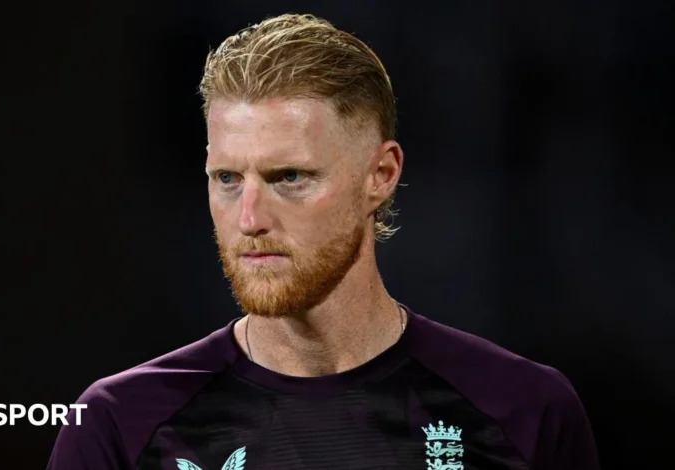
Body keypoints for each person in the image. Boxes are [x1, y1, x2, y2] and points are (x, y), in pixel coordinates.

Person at [47, 13, 600, 470]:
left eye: (290, 177)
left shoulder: (523, 411)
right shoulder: (121, 424)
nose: (249, 219)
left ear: (380, 175)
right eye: (228, 179)